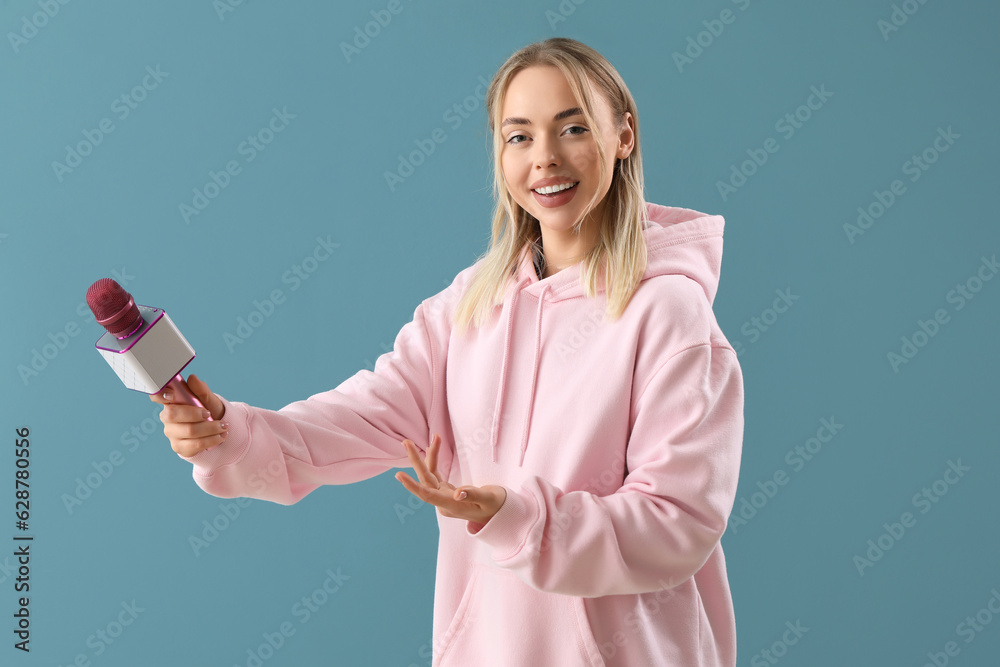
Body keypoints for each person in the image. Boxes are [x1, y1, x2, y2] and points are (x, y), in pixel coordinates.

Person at [151, 37, 745, 667]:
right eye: (519, 136)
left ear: (623, 135)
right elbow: (357, 421)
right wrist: (230, 433)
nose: (545, 159)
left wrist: (519, 517)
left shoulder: (669, 314)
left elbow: (678, 523)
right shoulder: (469, 306)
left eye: (572, 128)